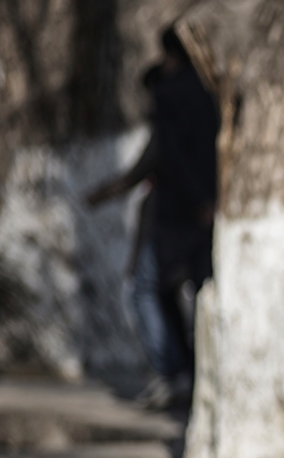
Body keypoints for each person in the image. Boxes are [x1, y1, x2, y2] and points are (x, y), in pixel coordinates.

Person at [86, 65, 181, 409]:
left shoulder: (171, 122)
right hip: (176, 224)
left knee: (144, 291)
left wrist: (101, 193)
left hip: (166, 224)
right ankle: (176, 369)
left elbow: (140, 171)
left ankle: (170, 371)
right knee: (161, 293)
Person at [148, 26, 219, 402]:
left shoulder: (170, 95)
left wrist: (197, 200)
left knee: (164, 290)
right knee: (203, 290)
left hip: (179, 210)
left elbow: (172, 156)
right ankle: (199, 370)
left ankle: (186, 370)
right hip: (207, 207)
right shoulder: (211, 93)